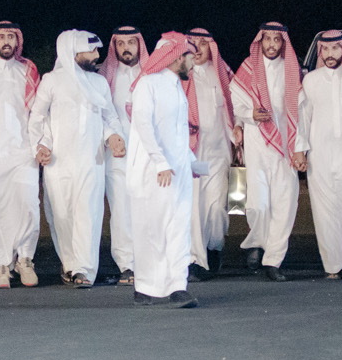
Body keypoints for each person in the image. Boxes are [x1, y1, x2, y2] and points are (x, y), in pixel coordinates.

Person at [28, 30, 126, 287]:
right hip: (58, 162)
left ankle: (84, 270)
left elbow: (108, 117)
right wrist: (39, 146)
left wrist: (114, 136)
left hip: (91, 161)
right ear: (73, 52)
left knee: (88, 215)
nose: (97, 55)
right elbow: (38, 117)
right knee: (61, 216)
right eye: (91, 50)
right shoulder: (52, 81)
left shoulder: (99, 83)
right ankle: (70, 265)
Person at [127, 31, 201, 308]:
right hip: (152, 173)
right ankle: (146, 286)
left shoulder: (176, 87)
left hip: (178, 172)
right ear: (177, 57)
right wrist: (160, 162)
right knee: (152, 230)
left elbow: (177, 134)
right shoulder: (148, 84)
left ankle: (178, 286)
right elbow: (144, 125)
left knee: (179, 227)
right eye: (190, 56)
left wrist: (193, 163)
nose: (193, 62)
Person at [229, 21, 303, 281]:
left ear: (283, 43)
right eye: (267, 39)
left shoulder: (291, 69)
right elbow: (235, 105)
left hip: (286, 146)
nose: (272, 44)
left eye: (276, 39)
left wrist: (300, 148)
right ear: (260, 41)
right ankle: (256, 242)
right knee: (257, 205)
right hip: (256, 144)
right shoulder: (248, 68)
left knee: (285, 203)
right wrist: (249, 115)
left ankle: (273, 259)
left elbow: (301, 112)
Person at [0, 21, 43, 288]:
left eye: (11, 37)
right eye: (1, 36)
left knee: (28, 205)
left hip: (24, 151)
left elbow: (38, 112)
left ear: (17, 42)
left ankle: (24, 259)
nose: (6, 41)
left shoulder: (28, 71)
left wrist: (39, 144)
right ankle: (1, 265)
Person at [295, 30, 342, 279]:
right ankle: (333, 265)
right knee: (324, 210)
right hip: (320, 154)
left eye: (335, 49)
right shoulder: (311, 80)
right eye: (325, 49)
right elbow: (303, 118)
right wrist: (300, 150)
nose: (330, 54)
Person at [184, 29, 238, 278]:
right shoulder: (181, 76)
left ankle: (214, 247)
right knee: (195, 206)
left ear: (211, 47)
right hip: (193, 153)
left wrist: (239, 129)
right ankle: (196, 259)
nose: (197, 49)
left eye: (202, 44)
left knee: (217, 206)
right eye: (192, 44)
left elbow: (237, 107)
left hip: (219, 154)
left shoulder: (222, 74)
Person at [99, 26, 148, 285]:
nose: (126, 48)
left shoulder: (151, 75)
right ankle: (127, 264)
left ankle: (148, 261)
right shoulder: (104, 77)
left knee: (146, 208)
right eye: (121, 43)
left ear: (140, 45)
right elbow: (100, 112)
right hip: (116, 155)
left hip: (146, 155)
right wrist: (110, 136)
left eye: (131, 42)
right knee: (120, 210)